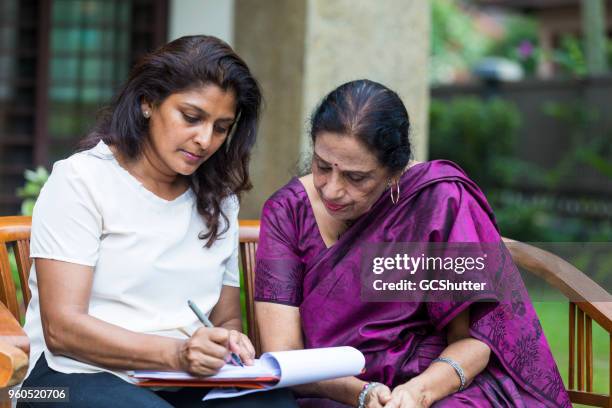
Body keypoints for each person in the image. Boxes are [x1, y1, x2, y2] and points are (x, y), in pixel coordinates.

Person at [254, 79, 571, 408]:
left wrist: (418, 392)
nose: (332, 189)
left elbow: (471, 343)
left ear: (394, 172)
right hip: (330, 392)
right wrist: (360, 393)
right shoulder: (287, 212)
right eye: (322, 167)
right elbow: (285, 356)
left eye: (356, 177)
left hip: (436, 384)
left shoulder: (439, 200)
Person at [19, 35, 297, 408]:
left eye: (221, 127)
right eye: (192, 117)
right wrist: (177, 353)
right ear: (148, 102)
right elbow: (62, 329)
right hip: (70, 375)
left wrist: (227, 343)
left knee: (273, 405)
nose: (204, 139)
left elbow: (226, 319)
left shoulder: (219, 199)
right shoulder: (82, 180)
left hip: (182, 379)